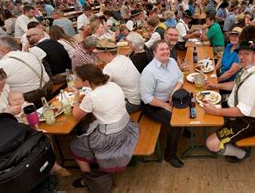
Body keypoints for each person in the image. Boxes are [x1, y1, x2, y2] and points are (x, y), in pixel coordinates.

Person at [69, 64, 138, 188]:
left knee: (74, 145)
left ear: (86, 81)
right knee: (87, 127)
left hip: (111, 136)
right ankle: (97, 162)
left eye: (78, 79)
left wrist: (76, 96)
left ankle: (89, 178)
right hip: (127, 127)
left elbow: (76, 116)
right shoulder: (113, 85)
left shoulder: (91, 96)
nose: (76, 81)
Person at [204, 40, 255, 162]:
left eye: (246, 53)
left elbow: (241, 111)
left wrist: (215, 111)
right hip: (239, 111)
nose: (241, 57)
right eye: (240, 54)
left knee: (211, 143)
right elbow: (235, 85)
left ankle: (241, 154)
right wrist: (215, 86)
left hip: (248, 122)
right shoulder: (249, 69)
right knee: (207, 102)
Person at [140, 40, 184, 168]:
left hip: (170, 98)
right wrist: (165, 105)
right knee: (177, 123)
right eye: (161, 49)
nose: (166, 51)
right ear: (154, 52)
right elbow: (146, 98)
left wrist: (174, 91)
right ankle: (169, 155)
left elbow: (180, 77)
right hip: (153, 106)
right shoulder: (149, 72)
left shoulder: (172, 62)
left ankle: (184, 129)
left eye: (167, 49)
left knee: (188, 107)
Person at [0, 36, 52, 106]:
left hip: (32, 98)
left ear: (6, 49)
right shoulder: (29, 54)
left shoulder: (1, 65)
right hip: (48, 87)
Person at [94, 40, 141, 113]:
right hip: (140, 98)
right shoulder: (123, 58)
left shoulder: (110, 67)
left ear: (108, 53)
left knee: (99, 108)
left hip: (132, 104)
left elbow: (100, 88)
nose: (97, 55)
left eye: (98, 53)